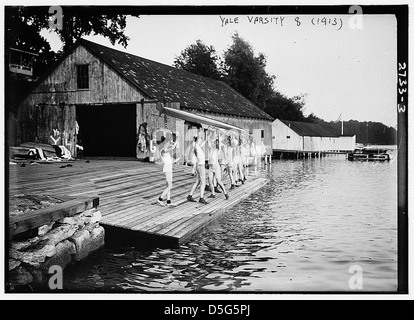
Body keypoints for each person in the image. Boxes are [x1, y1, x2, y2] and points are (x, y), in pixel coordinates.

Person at [157, 138, 181, 207]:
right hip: (167, 169)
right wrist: (176, 140)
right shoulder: (163, 151)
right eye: (168, 144)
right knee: (170, 186)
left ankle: (168, 201)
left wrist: (179, 158)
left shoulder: (167, 153)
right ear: (165, 144)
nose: (169, 145)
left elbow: (171, 161)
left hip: (169, 169)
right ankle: (160, 199)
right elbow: (172, 148)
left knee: (168, 186)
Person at [187, 132, 208, 204]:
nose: (201, 140)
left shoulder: (197, 146)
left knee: (197, 181)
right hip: (201, 166)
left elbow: (203, 142)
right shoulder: (196, 146)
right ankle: (201, 198)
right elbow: (199, 139)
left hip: (199, 166)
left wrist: (206, 138)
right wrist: (201, 132)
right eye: (200, 139)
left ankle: (190, 195)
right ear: (197, 140)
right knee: (203, 182)